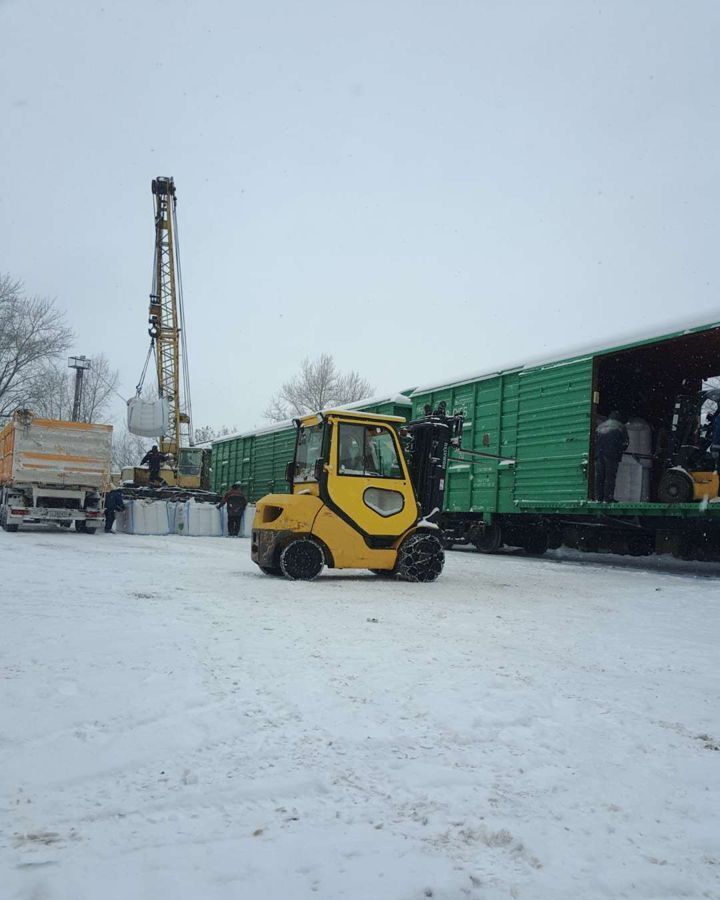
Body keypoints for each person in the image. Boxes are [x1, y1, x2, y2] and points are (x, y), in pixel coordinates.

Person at [594, 411, 629, 502]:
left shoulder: (600, 426)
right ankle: (608, 498)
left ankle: (599, 498)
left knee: (600, 476)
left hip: (599, 454)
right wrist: (620, 449)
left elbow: (595, 440)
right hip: (612, 455)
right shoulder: (620, 426)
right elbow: (625, 443)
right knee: (610, 477)